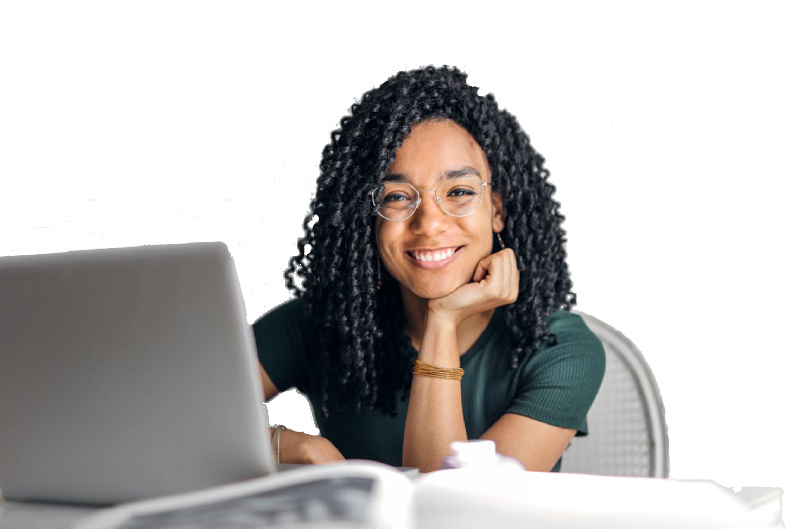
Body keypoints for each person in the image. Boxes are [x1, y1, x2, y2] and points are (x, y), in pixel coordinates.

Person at [252, 66, 605, 473]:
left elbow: (454, 511)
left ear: (497, 210)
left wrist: (443, 320)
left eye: (459, 192)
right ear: (368, 217)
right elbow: (173, 414)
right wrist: (285, 444)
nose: (430, 223)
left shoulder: (559, 349)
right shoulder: (319, 324)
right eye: (398, 196)